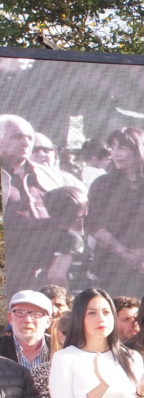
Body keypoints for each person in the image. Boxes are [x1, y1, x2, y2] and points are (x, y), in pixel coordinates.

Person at [0, 115, 84, 291]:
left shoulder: (56, 176)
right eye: (17, 137)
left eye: (29, 138)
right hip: (11, 269)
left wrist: (67, 253)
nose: (25, 143)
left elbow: (84, 211)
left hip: (51, 268)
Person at [86, 127, 144, 294]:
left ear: (139, 149)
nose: (115, 153)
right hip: (110, 267)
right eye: (112, 147)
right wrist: (125, 254)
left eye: (122, 147)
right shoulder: (102, 184)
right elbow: (94, 224)